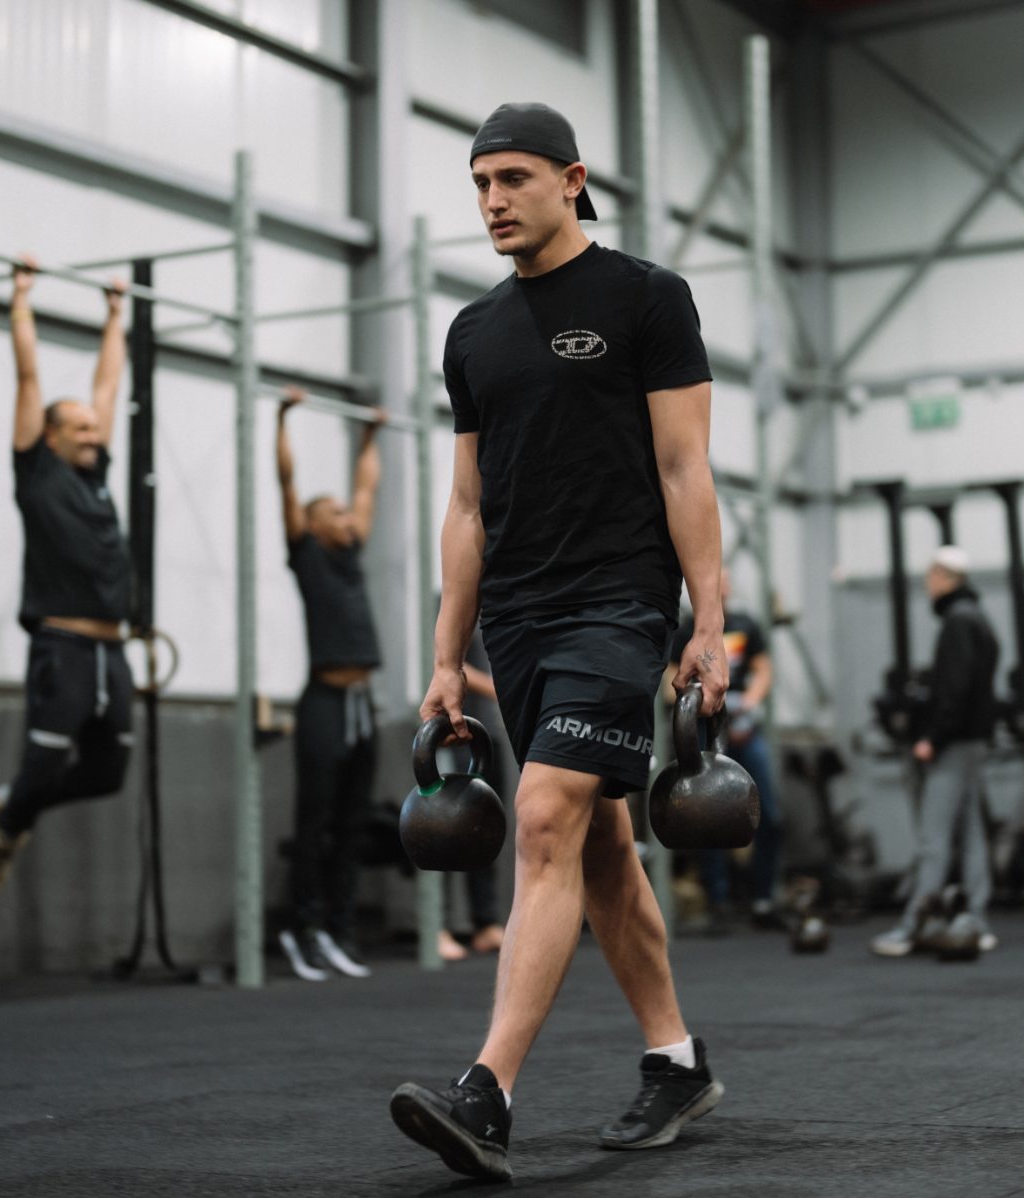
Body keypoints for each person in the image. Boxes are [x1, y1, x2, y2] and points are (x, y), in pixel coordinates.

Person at [388, 101, 730, 1183]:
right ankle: (676, 1062)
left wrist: (709, 620)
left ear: (572, 180)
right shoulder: (472, 332)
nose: (492, 201)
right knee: (598, 848)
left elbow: (685, 468)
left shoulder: (646, 299)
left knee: (541, 817)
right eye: (479, 184)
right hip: (519, 618)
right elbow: (466, 507)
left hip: (620, 603)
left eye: (513, 179)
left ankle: (485, 1095)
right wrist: (446, 656)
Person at [0, 256, 134, 901]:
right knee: (47, 762)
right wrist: (22, 297)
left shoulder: (94, 475)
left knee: (108, 772)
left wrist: (115, 315)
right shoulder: (37, 472)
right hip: (64, 645)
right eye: (78, 427)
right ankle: (2, 828)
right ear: (49, 436)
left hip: (113, 648)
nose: (92, 433)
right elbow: (28, 377)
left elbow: (109, 385)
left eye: (94, 428)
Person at [275, 387, 386, 982]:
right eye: (335, 514)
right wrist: (282, 419)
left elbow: (367, 487)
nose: (347, 518)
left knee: (352, 822)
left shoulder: (350, 555)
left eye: (347, 514)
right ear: (314, 526)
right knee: (314, 822)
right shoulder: (307, 554)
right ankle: (302, 930)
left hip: (362, 704)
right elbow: (286, 485)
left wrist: (371, 434)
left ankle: (340, 931)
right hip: (322, 701)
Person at [872, 545, 1001, 957]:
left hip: (956, 742)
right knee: (972, 832)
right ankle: (976, 920)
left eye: (931, 577)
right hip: (973, 740)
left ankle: (915, 924)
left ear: (944, 578)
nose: (928, 585)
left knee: (934, 836)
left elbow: (955, 690)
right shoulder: (977, 617)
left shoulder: (959, 622)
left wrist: (934, 737)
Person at [670, 568, 781, 931]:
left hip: (745, 728)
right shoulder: (686, 631)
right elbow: (671, 673)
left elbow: (763, 670)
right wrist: (696, 699)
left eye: (726, 580)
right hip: (706, 730)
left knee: (768, 814)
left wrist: (750, 701)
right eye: (716, 579)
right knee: (707, 816)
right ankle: (718, 901)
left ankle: (763, 899)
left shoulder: (745, 625)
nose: (722, 586)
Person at [437, 633, 510, 963]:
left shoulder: (492, 612)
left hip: (487, 731)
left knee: (486, 828)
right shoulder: (445, 610)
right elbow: (446, 663)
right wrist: (500, 687)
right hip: (452, 732)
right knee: (443, 829)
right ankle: (437, 925)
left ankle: (486, 922)